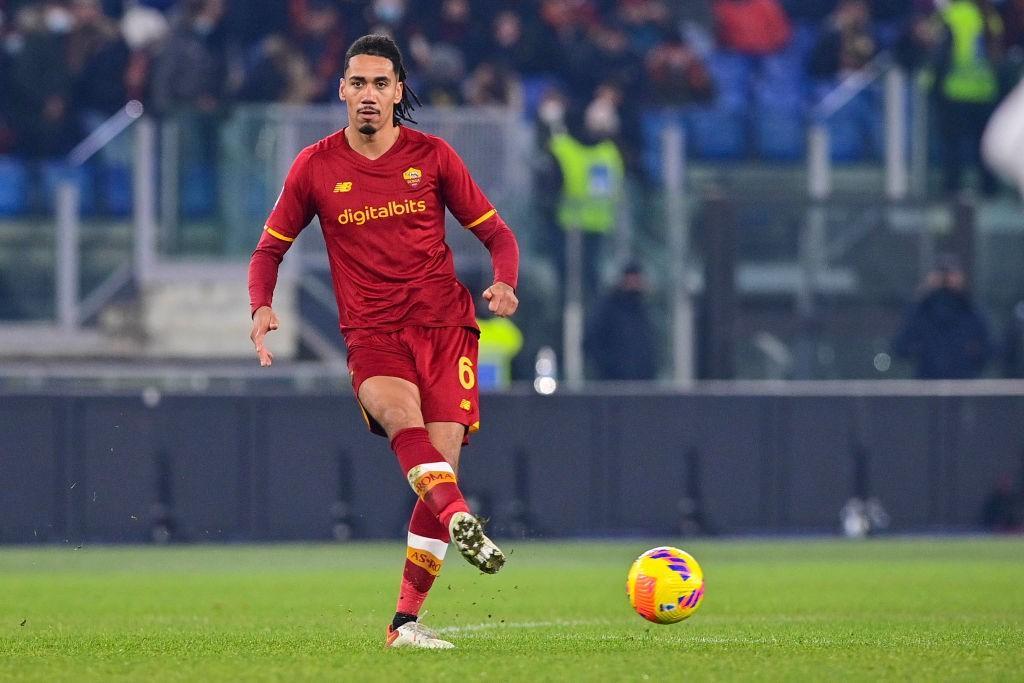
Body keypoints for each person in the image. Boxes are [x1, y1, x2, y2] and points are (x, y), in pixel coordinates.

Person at [247, 34, 520, 650]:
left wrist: (504, 284)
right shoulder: (315, 167)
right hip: (371, 334)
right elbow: (269, 249)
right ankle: (461, 521)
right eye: (357, 83)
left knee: (438, 468)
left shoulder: (434, 156)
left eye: (380, 84)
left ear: (398, 92)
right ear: (341, 90)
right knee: (403, 422)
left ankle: (404, 625)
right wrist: (261, 306)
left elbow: (498, 234)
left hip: (446, 329)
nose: (368, 95)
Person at [891, 255, 993, 379]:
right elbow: (900, 348)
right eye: (941, 274)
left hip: (963, 386)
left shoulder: (972, 312)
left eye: (951, 274)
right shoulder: (921, 311)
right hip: (927, 385)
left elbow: (990, 350)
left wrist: (970, 352)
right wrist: (922, 296)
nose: (946, 279)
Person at [585, 263, 658, 380]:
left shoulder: (643, 308)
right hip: (613, 383)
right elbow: (591, 341)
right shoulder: (607, 308)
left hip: (641, 382)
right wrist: (610, 367)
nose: (635, 283)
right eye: (632, 278)